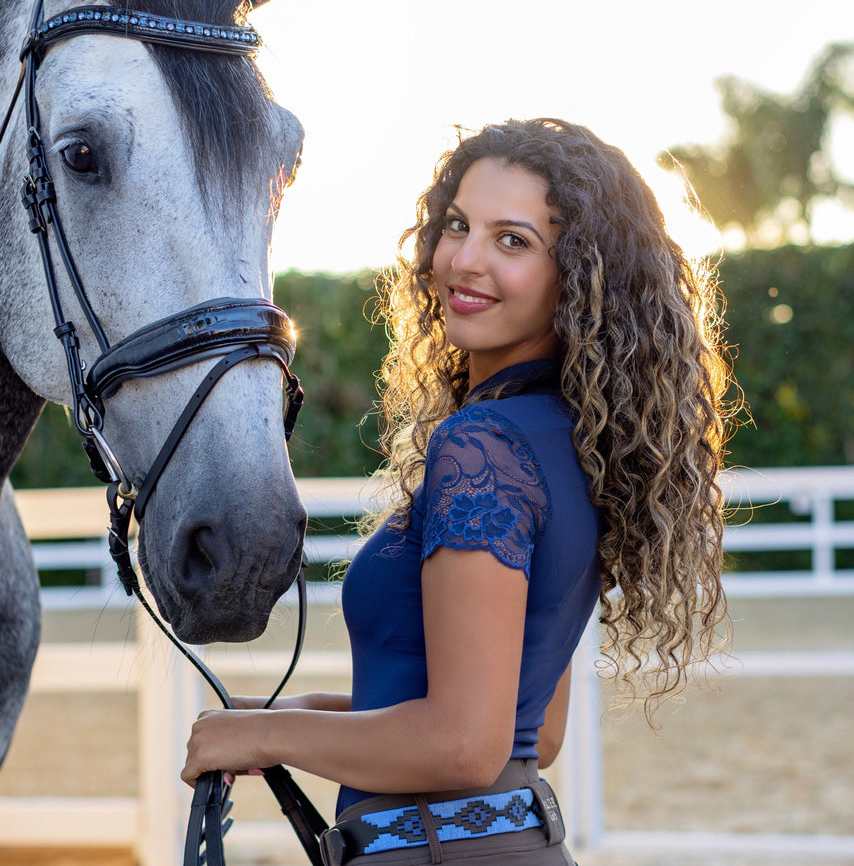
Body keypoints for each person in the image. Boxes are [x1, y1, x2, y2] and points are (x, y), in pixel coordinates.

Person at [182, 117, 732, 864]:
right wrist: (298, 719)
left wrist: (268, 734)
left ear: (578, 275)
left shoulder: (483, 448)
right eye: (457, 226)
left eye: (514, 241)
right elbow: (529, 731)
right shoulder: (580, 445)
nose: (465, 261)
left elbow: (466, 745)